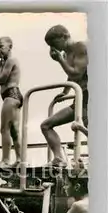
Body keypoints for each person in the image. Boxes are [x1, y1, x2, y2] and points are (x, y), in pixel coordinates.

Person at [40, 25, 89, 167]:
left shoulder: (80, 47)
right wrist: (65, 91)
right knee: (46, 125)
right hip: (79, 99)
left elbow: (77, 73)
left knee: (91, 130)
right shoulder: (67, 53)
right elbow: (70, 76)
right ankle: (59, 158)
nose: (52, 48)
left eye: (54, 44)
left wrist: (60, 60)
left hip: (92, 97)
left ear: (64, 37)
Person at [0, 36, 22, 167]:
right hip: (14, 96)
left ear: (10, 47)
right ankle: (20, 160)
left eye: (0, 46)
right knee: (14, 130)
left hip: (11, 95)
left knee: (4, 128)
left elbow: (1, 79)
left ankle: (5, 160)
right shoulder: (9, 61)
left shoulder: (10, 61)